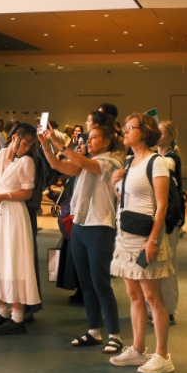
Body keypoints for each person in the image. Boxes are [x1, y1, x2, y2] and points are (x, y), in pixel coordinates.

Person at [40, 123, 125, 351]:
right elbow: (58, 164)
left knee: (100, 284)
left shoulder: (110, 161)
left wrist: (62, 144)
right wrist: (46, 146)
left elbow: (83, 162)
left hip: (100, 228)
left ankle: (115, 335)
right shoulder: (85, 164)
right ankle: (93, 331)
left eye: (94, 137)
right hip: (79, 226)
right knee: (86, 284)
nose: (89, 141)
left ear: (107, 141)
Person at [108, 113, 174, 373]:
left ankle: (163, 355)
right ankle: (137, 349)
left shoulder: (156, 162)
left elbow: (161, 205)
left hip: (145, 236)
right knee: (134, 295)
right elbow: (126, 199)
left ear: (143, 132)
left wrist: (154, 240)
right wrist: (115, 184)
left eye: (129, 127)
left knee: (152, 298)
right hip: (125, 234)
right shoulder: (129, 160)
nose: (124, 130)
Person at [0, 123, 41, 335]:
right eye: (24, 143)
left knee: (14, 262)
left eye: (29, 145)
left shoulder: (27, 162)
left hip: (14, 214)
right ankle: (1, 311)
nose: (25, 148)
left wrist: (4, 196)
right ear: (14, 137)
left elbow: (26, 193)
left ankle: (17, 317)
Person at [157, 120, 182, 323]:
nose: (158, 136)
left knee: (168, 264)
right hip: (154, 219)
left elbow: (166, 165)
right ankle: (154, 308)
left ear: (171, 136)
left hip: (170, 220)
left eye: (162, 133)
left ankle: (169, 309)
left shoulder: (172, 159)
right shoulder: (155, 157)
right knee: (153, 266)